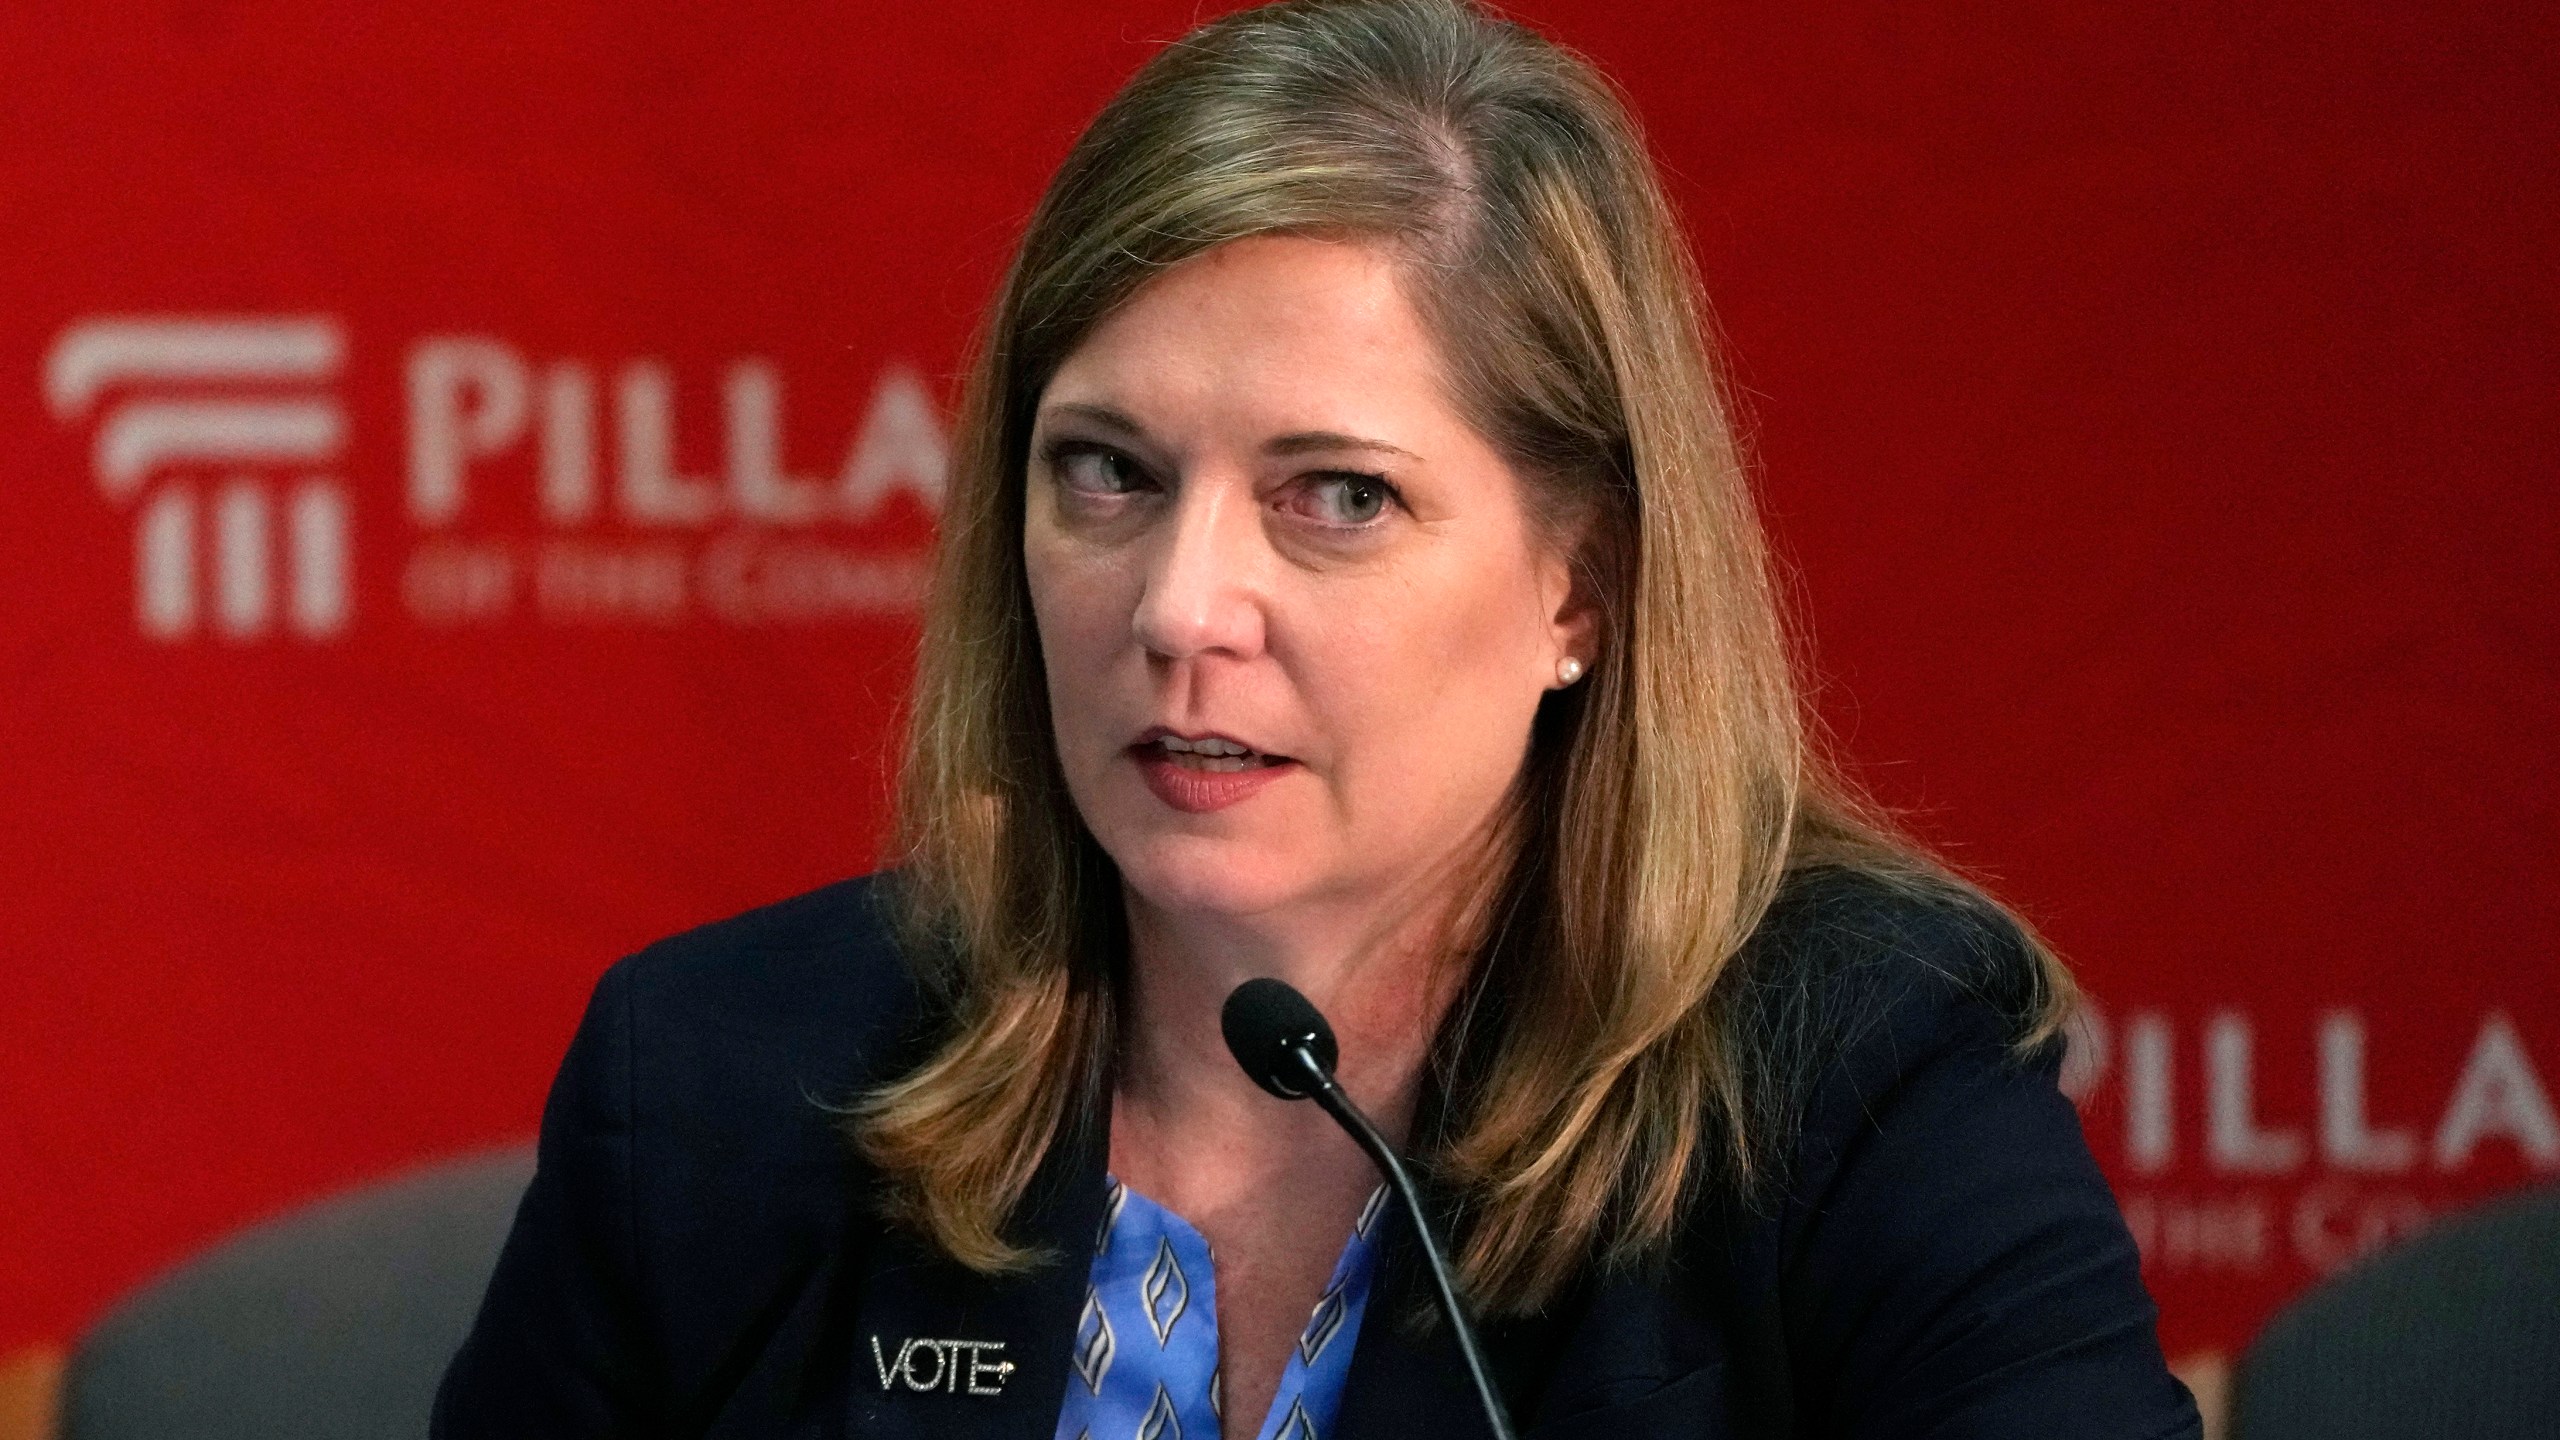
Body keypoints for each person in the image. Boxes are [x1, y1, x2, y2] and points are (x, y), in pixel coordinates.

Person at [434, 1, 2201, 1436]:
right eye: (1108, 474)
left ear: (1581, 586)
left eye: (1335, 497)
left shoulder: (1850, 1098)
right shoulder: (724, 1088)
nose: (1181, 608)